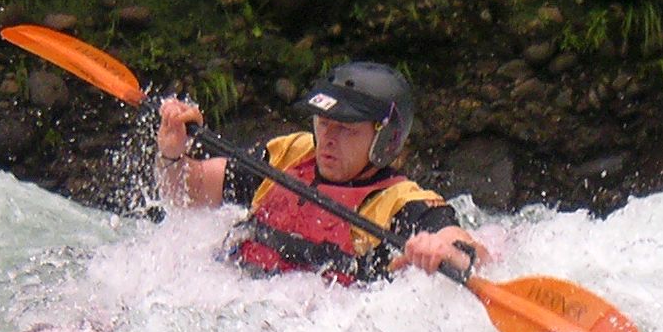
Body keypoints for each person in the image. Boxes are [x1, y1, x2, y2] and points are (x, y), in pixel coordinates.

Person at [154, 61, 484, 283]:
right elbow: (187, 192)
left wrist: (440, 250)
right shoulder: (287, 155)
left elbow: (468, 250)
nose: (328, 139)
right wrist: (172, 152)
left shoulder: (402, 202)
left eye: (347, 130)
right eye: (323, 123)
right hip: (227, 291)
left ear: (385, 139)